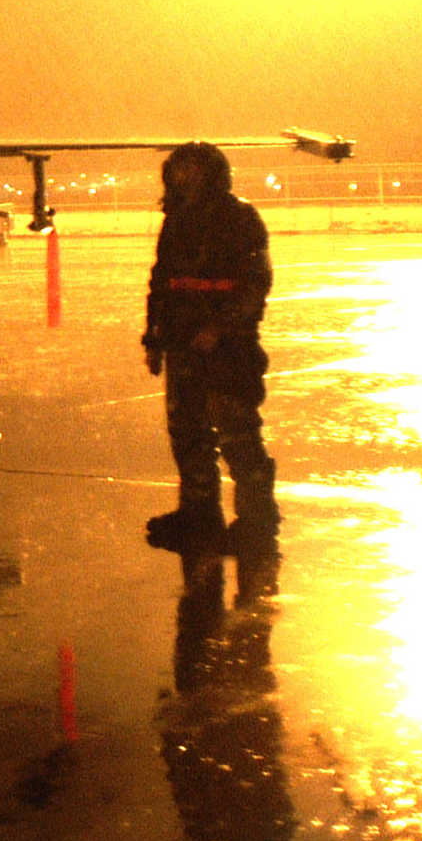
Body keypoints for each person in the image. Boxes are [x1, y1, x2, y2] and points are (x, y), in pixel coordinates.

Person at [142, 142, 277, 550]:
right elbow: (161, 282)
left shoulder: (240, 218)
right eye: (180, 170)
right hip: (182, 345)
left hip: (229, 349)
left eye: (193, 170)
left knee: (238, 434)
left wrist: (221, 326)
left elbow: (256, 281)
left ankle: (256, 520)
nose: (185, 178)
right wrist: (154, 338)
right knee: (188, 435)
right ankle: (198, 514)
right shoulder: (176, 221)